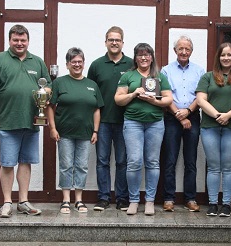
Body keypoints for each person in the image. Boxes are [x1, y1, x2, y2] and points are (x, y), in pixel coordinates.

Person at [0, 24, 51, 218]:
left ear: (28, 41)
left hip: (32, 122)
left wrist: (44, 96)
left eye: (23, 40)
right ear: (10, 41)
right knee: (7, 163)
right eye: (16, 40)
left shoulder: (37, 62)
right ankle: (6, 202)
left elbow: (48, 87)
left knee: (26, 162)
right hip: (7, 120)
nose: (19, 43)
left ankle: (23, 201)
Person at [115, 43, 173, 216]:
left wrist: (154, 101)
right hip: (133, 123)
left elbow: (168, 100)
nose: (143, 58)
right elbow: (118, 99)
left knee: (153, 162)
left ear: (152, 57)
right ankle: (133, 200)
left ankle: (149, 201)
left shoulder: (160, 77)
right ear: (135, 57)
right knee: (133, 162)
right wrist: (134, 94)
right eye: (140, 55)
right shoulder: (128, 76)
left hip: (155, 123)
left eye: (147, 55)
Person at [196, 42, 231, 217]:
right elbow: (200, 100)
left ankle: (226, 204)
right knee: (213, 167)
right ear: (218, 57)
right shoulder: (207, 77)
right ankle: (213, 203)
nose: (226, 58)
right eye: (223, 55)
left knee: (228, 167)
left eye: (229, 55)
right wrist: (217, 115)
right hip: (210, 127)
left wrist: (227, 116)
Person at [46, 47, 103, 214]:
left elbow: (96, 110)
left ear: (84, 64)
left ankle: (79, 200)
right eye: (73, 62)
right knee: (65, 166)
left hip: (85, 134)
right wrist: (53, 128)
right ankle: (65, 200)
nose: (77, 64)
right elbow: (50, 106)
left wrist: (95, 131)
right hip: (64, 133)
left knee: (82, 166)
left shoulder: (92, 85)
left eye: (80, 61)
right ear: (67, 64)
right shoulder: (59, 83)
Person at [87, 26, 133, 212]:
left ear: (123, 42)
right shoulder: (96, 65)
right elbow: (90, 93)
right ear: (105, 42)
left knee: (122, 161)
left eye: (118, 40)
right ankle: (103, 197)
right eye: (111, 39)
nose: (114, 43)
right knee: (102, 161)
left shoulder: (131, 64)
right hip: (103, 122)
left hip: (126, 121)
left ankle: (122, 198)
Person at [160, 36, 205, 213]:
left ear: (191, 51)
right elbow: (165, 95)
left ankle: (190, 198)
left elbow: (201, 96)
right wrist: (180, 115)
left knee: (190, 160)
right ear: (175, 51)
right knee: (170, 159)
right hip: (172, 117)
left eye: (187, 49)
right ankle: (169, 198)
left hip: (192, 116)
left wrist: (188, 112)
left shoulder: (199, 71)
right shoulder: (166, 71)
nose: (184, 52)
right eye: (180, 49)